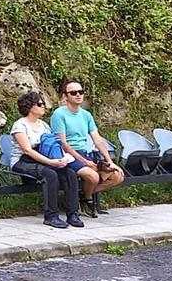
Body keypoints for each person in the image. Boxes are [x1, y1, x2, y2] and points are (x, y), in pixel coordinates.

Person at [9, 90, 84, 229]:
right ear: (29, 107)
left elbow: (53, 145)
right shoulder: (20, 125)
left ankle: (73, 214)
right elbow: (27, 150)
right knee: (50, 174)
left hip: (42, 159)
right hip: (22, 161)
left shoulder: (44, 125)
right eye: (39, 104)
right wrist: (50, 162)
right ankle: (51, 216)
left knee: (70, 173)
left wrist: (63, 159)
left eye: (43, 103)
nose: (43, 106)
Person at [51, 80, 125, 218]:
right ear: (65, 96)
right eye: (73, 93)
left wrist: (109, 161)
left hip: (87, 153)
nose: (78, 95)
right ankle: (87, 200)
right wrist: (84, 161)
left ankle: (83, 195)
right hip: (69, 155)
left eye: (81, 92)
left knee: (117, 176)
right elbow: (63, 143)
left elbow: (97, 139)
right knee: (93, 176)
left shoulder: (86, 115)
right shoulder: (59, 115)